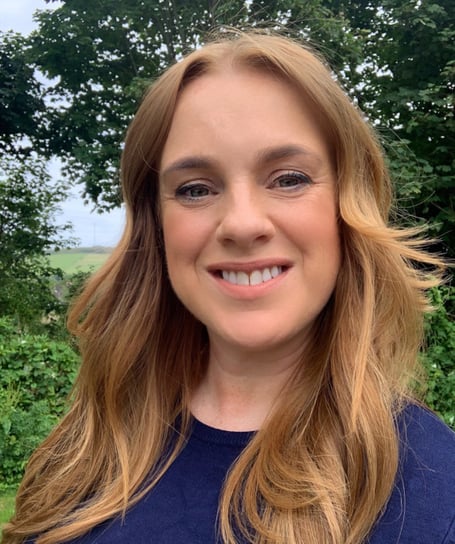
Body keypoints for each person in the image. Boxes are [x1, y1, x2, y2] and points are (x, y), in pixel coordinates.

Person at [3, 31, 454, 544]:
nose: (241, 224)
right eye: (196, 189)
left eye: (288, 178)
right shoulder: (82, 451)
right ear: (156, 226)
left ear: (347, 205)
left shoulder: (436, 496)